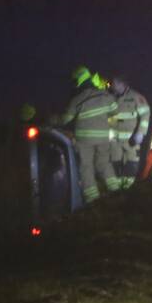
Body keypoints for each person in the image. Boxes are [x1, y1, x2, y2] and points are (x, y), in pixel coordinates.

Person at [52, 65, 120, 203]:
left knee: (86, 168)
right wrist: (110, 127)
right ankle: (117, 193)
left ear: (78, 81)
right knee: (104, 164)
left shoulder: (77, 100)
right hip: (103, 138)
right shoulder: (104, 95)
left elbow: (65, 119)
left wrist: (53, 120)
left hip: (85, 141)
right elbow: (115, 112)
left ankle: (93, 200)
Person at [109, 76, 150, 189]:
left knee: (131, 166)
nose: (112, 85)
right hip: (114, 141)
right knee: (114, 165)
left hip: (131, 141)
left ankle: (128, 190)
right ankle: (116, 191)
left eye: (114, 83)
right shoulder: (111, 98)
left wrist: (140, 133)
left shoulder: (135, 97)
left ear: (122, 83)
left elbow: (145, 114)